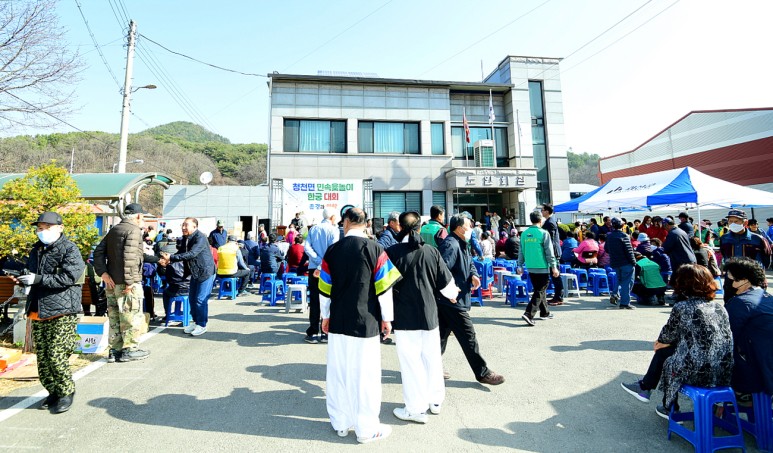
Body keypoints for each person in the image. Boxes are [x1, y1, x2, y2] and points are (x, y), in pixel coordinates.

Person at [318, 208, 401, 443]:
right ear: (366, 224)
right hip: (367, 321)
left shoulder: (332, 250)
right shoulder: (375, 249)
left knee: (338, 373)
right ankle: (366, 428)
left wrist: (325, 316)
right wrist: (387, 318)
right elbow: (385, 289)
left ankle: (340, 423)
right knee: (366, 376)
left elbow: (324, 289)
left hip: (338, 320)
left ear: (346, 222)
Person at [621, 264, 733, 418]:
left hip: (698, 371)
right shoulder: (719, 307)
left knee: (666, 356)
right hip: (723, 370)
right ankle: (646, 388)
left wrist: (663, 342)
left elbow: (667, 335)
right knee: (669, 352)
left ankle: (668, 406)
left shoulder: (683, 307)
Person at [386, 211, 457, 423]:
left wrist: (384, 316)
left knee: (411, 363)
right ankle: (435, 401)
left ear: (400, 227)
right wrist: (453, 294)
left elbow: (383, 288)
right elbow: (447, 283)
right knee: (432, 359)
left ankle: (415, 409)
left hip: (404, 316)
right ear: (419, 227)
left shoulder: (391, 253)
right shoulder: (431, 251)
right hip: (429, 313)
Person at [10, 211, 85, 414]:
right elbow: (32, 274)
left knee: (56, 353)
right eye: (40, 228)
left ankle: (66, 392)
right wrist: (24, 278)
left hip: (62, 310)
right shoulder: (36, 250)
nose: (43, 232)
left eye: (47, 227)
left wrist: (38, 279)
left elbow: (69, 277)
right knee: (43, 357)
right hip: (38, 308)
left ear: (60, 228)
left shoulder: (69, 249)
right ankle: (53, 391)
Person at [437, 213, 504, 385]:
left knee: (441, 336)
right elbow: (441, 271)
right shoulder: (451, 244)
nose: (471, 229)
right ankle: (482, 373)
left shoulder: (462, 243)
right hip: (452, 300)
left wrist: (473, 274)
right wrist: (449, 291)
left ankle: (431, 366)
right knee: (468, 336)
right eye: (469, 226)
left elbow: (469, 262)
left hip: (453, 299)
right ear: (460, 228)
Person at [93, 203, 156, 363]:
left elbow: (98, 252)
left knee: (114, 317)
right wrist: (129, 282)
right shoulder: (134, 230)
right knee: (130, 316)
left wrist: (103, 273)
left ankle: (114, 351)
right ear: (138, 216)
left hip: (111, 282)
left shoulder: (115, 229)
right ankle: (130, 349)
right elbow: (130, 258)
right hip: (128, 283)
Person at [723, 258, 773, 396]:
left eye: (732, 279)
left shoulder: (740, 303)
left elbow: (726, 338)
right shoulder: (768, 297)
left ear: (744, 280)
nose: (729, 284)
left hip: (755, 373)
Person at [162, 217, 216, 337]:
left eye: (186, 225)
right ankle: (196, 322)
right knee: (192, 299)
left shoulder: (200, 238)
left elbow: (192, 254)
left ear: (195, 226)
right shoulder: (185, 238)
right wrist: (168, 260)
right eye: (183, 225)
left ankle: (202, 325)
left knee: (200, 299)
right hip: (194, 272)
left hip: (205, 272)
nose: (183, 227)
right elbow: (181, 253)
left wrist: (171, 258)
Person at [303, 208, 339, 344]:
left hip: (314, 268)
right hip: (329, 269)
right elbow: (333, 250)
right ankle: (326, 332)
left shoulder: (313, 229)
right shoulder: (334, 230)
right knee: (328, 299)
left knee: (314, 300)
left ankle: (313, 332)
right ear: (333, 217)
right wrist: (322, 263)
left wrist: (318, 262)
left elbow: (307, 248)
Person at [518, 212, 560, 326]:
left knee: (539, 290)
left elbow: (521, 251)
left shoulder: (524, 234)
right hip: (542, 266)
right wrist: (554, 267)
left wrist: (519, 265)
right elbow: (549, 252)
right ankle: (528, 314)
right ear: (541, 220)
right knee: (540, 290)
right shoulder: (543, 233)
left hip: (530, 266)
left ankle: (545, 312)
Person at [719, 209, 771, 300]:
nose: (733, 224)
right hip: (731, 280)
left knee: (754, 305)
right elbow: (724, 255)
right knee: (730, 304)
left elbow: (766, 260)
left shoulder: (758, 239)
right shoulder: (724, 239)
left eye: (736, 221)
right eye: (730, 221)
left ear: (745, 222)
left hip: (753, 280)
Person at [662, 216, 696, 286]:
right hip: (690, 258)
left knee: (680, 283)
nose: (664, 228)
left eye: (664, 226)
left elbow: (666, 248)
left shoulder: (673, 234)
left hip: (681, 261)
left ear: (667, 225)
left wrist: (658, 249)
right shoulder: (681, 231)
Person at [541, 204, 564, 305]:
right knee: (554, 275)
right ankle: (557, 296)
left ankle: (559, 297)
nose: (541, 212)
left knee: (556, 275)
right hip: (553, 251)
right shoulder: (549, 221)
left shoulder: (550, 223)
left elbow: (550, 238)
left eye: (542, 210)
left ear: (547, 211)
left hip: (553, 252)